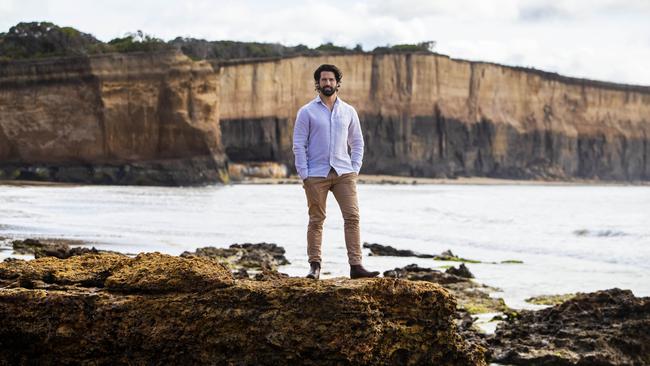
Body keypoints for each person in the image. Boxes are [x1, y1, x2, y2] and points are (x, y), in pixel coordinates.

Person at [292, 64, 380, 280]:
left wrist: (354, 169)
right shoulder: (306, 112)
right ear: (318, 83)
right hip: (316, 175)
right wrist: (304, 174)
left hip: (343, 173)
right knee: (316, 220)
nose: (327, 83)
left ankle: (356, 266)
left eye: (331, 80)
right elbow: (298, 144)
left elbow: (357, 142)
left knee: (352, 217)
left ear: (337, 83)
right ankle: (315, 267)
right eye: (324, 80)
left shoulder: (348, 111)